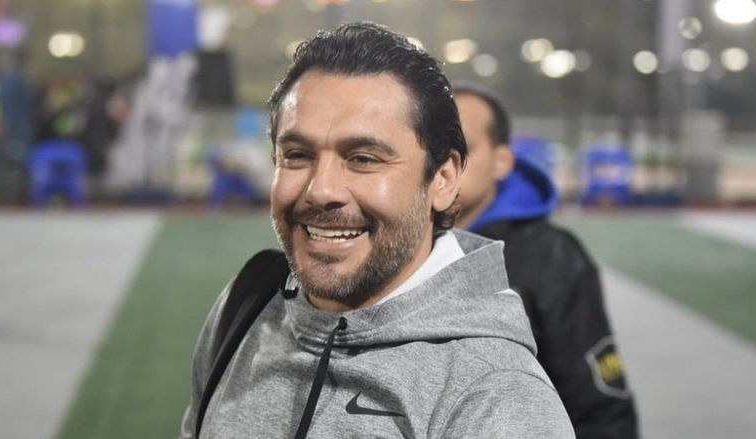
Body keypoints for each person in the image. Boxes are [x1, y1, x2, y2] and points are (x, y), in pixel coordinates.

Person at [180, 23, 573, 439]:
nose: (321, 190)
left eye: (364, 159)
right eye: (297, 154)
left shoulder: (496, 397)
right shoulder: (246, 305)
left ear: (443, 179)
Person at [452, 81, 639, 438]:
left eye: (462, 148)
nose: (445, 163)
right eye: (432, 147)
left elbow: (599, 410)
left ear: (501, 161)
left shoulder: (552, 256)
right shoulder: (390, 245)